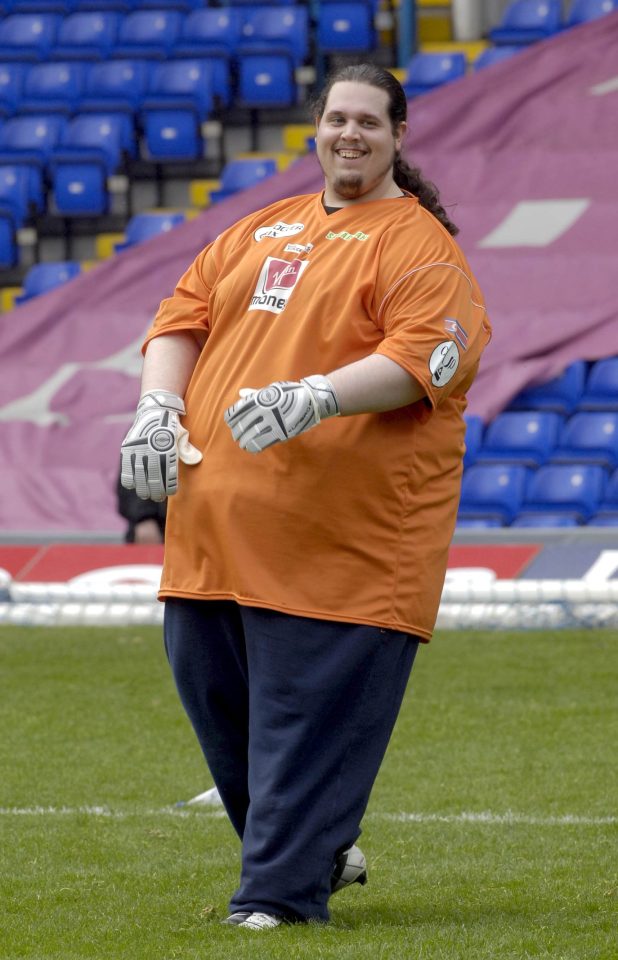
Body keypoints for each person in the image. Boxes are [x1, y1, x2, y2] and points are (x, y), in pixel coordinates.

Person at [120, 63, 491, 931]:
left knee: (302, 731)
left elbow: (428, 359)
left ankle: (279, 901)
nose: (350, 134)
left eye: (369, 121)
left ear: (398, 136)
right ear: (315, 131)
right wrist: (155, 407)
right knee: (227, 722)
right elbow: (178, 321)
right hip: (211, 539)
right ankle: (319, 852)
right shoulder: (257, 229)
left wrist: (315, 396)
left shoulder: (421, 246)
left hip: (343, 554)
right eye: (336, 119)